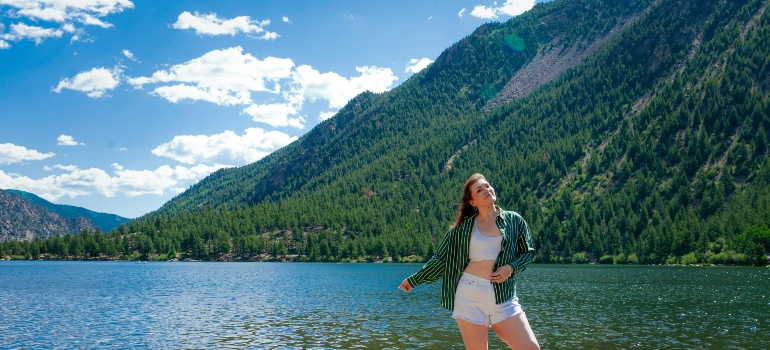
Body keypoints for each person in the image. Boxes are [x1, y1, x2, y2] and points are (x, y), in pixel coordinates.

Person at [398, 173, 539, 350]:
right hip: (470, 294)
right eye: (479, 190)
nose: (486, 190)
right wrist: (414, 281)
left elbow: (528, 252)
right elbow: (441, 260)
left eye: (487, 186)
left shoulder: (513, 220)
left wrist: (511, 268)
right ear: (472, 202)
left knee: (530, 347)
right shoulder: (463, 229)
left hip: (504, 295)